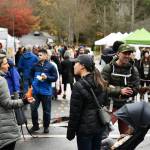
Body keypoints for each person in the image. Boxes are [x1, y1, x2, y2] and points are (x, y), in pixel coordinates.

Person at [67, 54, 108, 150]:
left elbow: (75, 113)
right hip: (99, 126)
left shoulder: (78, 86)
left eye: (76, 63)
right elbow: (105, 102)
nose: (74, 65)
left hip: (84, 129)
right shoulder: (101, 82)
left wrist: (70, 133)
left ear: (82, 66)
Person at [101, 44, 140, 134]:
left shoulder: (133, 69)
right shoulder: (109, 67)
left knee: (125, 136)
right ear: (118, 54)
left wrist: (114, 88)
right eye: (125, 53)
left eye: (129, 53)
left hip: (126, 106)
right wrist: (120, 90)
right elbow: (102, 88)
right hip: (110, 106)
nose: (127, 56)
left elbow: (135, 89)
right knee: (104, 133)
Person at [0, 54, 34, 150]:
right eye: (6, 63)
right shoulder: (1, 80)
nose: (8, 65)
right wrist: (24, 101)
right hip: (5, 128)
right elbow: (7, 103)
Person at [30, 49, 58, 133]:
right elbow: (30, 76)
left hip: (46, 92)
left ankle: (46, 126)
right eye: (38, 55)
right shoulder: (35, 65)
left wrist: (47, 78)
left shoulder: (51, 66)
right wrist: (32, 83)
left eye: (40, 55)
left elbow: (55, 78)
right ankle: (35, 126)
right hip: (35, 92)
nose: (39, 56)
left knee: (46, 110)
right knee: (33, 109)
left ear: (46, 56)